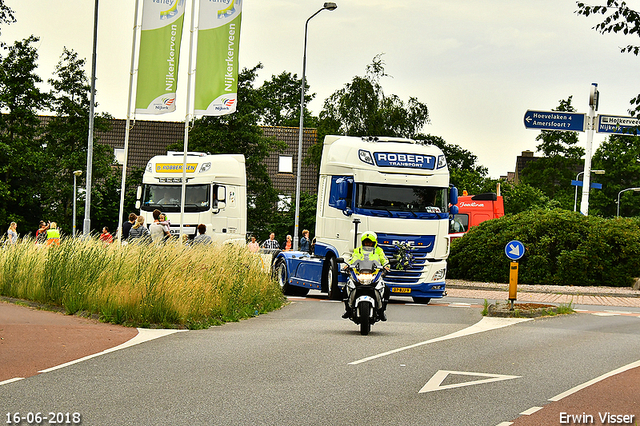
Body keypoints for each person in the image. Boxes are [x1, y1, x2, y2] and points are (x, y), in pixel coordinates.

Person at [342, 231, 391, 321]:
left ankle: (382, 311)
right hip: (359, 274)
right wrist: (347, 265)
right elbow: (353, 259)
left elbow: (384, 260)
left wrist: (386, 267)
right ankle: (348, 309)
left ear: (374, 242)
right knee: (346, 288)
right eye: (366, 242)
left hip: (374, 275)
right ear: (363, 242)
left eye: (370, 242)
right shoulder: (358, 250)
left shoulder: (379, 251)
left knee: (386, 289)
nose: (368, 244)